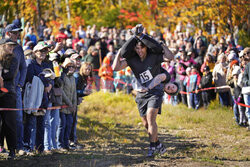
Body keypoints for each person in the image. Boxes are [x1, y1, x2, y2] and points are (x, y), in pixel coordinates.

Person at [112, 24, 178, 157]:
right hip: (141, 94)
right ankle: (158, 143)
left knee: (151, 118)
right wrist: (119, 52)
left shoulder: (154, 57)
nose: (139, 51)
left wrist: (162, 45)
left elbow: (170, 57)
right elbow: (115, 67)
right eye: (137, 48)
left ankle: (152, 147)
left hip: (155, 92)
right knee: (146, 124)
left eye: (142, 48)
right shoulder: (132, 59)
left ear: (146, 47)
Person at [4, 23, 27, 155]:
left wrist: (20, 84)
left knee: (18, 118)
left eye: (18, 32)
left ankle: (19, 146)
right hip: (2, 88)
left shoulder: (19, 49)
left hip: (15, 89)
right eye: (15, 32)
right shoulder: (1, 47)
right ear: (8, 33)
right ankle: (2, 146)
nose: (18, 35)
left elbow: (23, 67)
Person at [0, 38, 18, 159]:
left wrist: (2, 73)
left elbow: (10, 75)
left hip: (8, 94)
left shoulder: (14, 60)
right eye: (9, 45)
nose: (12, 47)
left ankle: (12, 150)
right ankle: (1, 147)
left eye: (13, 46)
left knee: (9, 123)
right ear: (2, 46)